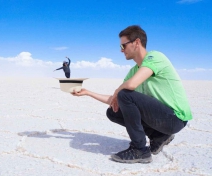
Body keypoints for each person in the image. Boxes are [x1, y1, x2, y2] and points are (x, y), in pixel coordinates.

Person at [72, 25, 192, 164]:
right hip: (161, 119)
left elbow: (128, 88)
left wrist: (119, 91)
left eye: (123, 46)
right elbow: (116, 99)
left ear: (136, 43)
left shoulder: (155, 57)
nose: (121, 50)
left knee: (125, 94)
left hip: (175, 118)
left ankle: (139, 150)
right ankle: (159, 136)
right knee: (113, 112)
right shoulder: (134, 71)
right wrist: (88, 92)